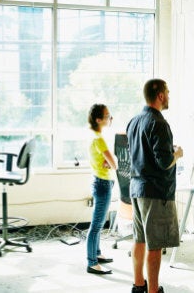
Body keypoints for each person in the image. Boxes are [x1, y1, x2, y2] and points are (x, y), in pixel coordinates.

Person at [126, 78, 183, 293]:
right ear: (160, 95)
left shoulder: (134, 120)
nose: (168, 96)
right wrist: (177, 154)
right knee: (156, 245)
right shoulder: (159, 123)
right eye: (167, 92)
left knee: (139, 239)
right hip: (156, 193)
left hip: (137, 188)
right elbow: (164, 162)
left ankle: (138, 285)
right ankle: (153, 290)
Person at [85, 104, 118, 275]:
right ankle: (92, 262)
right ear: (98, 120)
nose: (110, 118)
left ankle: (97, 254)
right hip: (103, 184)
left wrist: (108, 162)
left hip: (99, 181)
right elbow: (115, 164)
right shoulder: (99, 139)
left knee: (97, 223)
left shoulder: (94, 136)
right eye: (107, 115)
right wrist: (112, 162)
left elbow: (107, 161)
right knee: (97, 225)